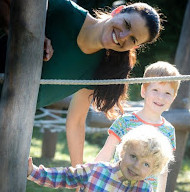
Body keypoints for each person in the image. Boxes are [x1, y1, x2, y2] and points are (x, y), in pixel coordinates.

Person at [0, 0, 163, 167]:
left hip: (9, 122)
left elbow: (76, 121)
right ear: (118, 11)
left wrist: (78, 177)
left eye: (133, 39)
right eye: (126, 24)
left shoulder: (101, 67)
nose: (123, 37)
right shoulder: (65, 10)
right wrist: (27, 35)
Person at [27, 125, 174, 192]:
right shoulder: (96, 171)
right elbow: (65, 176)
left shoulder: (145, 191)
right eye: (133, 156)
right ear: (123, 152)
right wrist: (33, 172)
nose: (136, 166)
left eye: (146, 164)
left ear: (153, 170)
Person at [95, 61, 181, 192]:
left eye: (167, 93)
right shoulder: (125, 121)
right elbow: (106, 153)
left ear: (174, 97)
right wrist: (90, 176)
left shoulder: (168, 131)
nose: (160, 97)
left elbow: (163, 170)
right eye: (155, 90)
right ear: (144, 90)